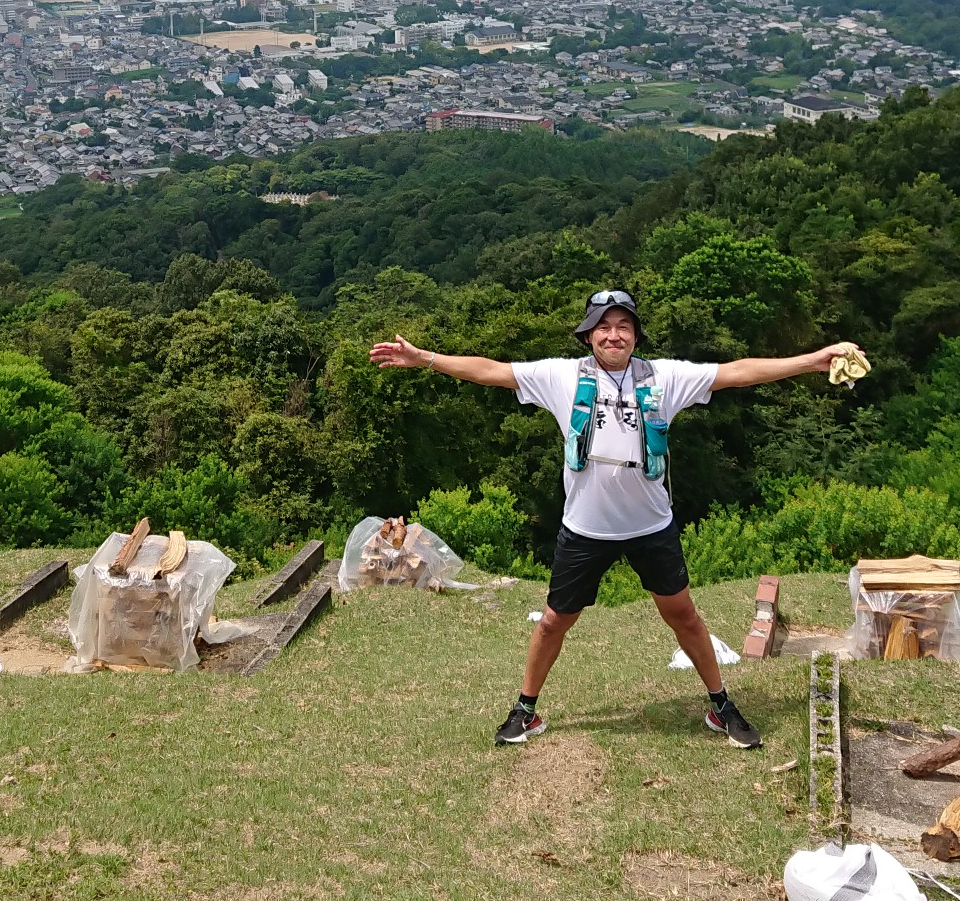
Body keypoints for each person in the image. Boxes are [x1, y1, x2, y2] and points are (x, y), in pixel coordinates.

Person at [368, 288, 863, 749]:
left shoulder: (663, 377)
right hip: (585, 528)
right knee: (554, 620)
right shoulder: (562, 375)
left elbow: (738, 371)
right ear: (588, 336)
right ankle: (526, 708)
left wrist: (815, 361)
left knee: (685, 616)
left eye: (623, 326)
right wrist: (423, 358)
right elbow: (491, 370)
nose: (613, 335)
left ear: (635, 335)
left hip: (651, 526)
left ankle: (720, 704)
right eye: (603, 327)